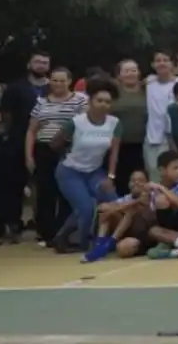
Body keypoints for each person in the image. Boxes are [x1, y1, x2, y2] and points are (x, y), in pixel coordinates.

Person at [50, 76, 121, 255]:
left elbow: (114, 153)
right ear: (90, 101)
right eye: (99, 101)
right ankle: (77, 240)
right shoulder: (76, 122)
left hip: (94, 171)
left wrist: (110, 176)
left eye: (107, 102)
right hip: (70, 171)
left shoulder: (114, 123)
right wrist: (63, 141)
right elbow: (54, 143)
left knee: (112, 201)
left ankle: (78, 236)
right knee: (85, 207)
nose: (103, 105)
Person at [25, 67, 87, 248]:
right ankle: (47, 233)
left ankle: (64, 232)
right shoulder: (41, 102)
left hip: (69, 150)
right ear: (49, 82)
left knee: (66, 192)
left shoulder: (81, 101)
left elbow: (84, 125)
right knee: (46, 192)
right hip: (43, 150)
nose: (58, 84)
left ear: (69, 81)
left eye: (62, 80)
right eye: (55, 80)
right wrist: (28, 156)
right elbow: (31, 130)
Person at [0, 51, 50, 243]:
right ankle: (13, 225)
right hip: (17, 140)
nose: (41, 65)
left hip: (46, 141)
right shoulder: (16, 88)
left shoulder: (54, 87)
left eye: (45, 63)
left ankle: (43, 226)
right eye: (37, 62)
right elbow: (6, 114)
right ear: (29, 64)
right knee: (14, 184)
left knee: (43, 185)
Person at [87, 169, 154, 261]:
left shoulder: (153, 196)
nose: (136, 183)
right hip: (125, 233)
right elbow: (103, 208)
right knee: (106, 209)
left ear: (148, 183)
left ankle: (109, 244)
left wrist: (135, 202)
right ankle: (100, 245)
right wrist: (110, 209)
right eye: (133, 180)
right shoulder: (128, 197)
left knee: (130, 210)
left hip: (143, 236)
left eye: (140, 180)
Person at [145, 50, 178, 182]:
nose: (161, 63)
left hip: (174, 138)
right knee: (155, 179)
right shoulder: (149, 84)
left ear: (172, 64)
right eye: (158, 60)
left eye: (165, 60)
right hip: (152, 139)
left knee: (176, 180)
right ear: (152, 64)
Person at [143, 151, 178, 259]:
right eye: (175, 168)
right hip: (164, 230)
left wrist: (161, 188)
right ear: (162, 170)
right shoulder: (152, 189)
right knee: (153, 231)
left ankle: (177, 243)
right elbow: (151, 214)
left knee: (162, 200)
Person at [111, 59, 148, 196]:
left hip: (143, 144)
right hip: (118, 145)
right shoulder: (113, 92)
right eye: (126, 71)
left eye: (134, 70)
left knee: (141, 182)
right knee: (120, 181)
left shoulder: (147, 89)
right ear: (119, 75)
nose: (130, 74)